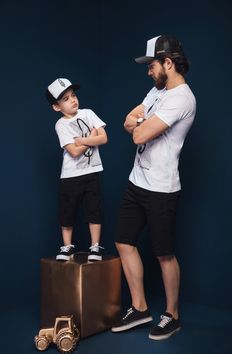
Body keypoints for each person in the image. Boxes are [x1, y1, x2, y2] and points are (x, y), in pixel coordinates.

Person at [112, 35, 196, 340]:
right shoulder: (156, 90)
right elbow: (127, 122)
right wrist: (139, 124)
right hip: (137, 181)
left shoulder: (182, 98)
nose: (148, 71)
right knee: (123, 241)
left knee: (164, 254)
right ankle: (140, 307)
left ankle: (172, 315)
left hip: (162, 188)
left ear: (168, 63)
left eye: (152, 65)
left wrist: (140, 125)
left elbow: (136, 135)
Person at [45, 78, 108, 261]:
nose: (73, 100)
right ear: (57, 107)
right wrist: (90, 137)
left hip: (92, 172)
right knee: (67, 211)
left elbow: (103, 138)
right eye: (65, 99)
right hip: (71, 176)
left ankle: (95, 246)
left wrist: (82, 140)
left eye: (73, 95)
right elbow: (73, 152)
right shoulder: (61, 125)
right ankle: (67, 246)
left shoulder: (88, 113)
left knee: (94, 210)